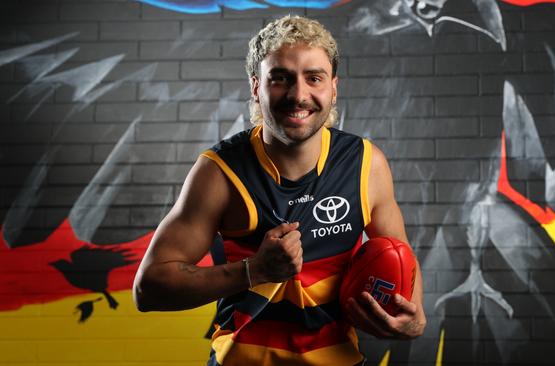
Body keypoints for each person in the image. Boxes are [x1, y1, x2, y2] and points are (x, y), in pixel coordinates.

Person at [133, 15, 426, 366]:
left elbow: (400, 254)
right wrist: (254, 270)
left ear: (334, 87)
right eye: (280, 78)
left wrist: (415, 316)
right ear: (256, 86)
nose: (298, 95)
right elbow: (148, 288)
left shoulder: (366, 164)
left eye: (313, 78)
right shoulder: (220, 171)